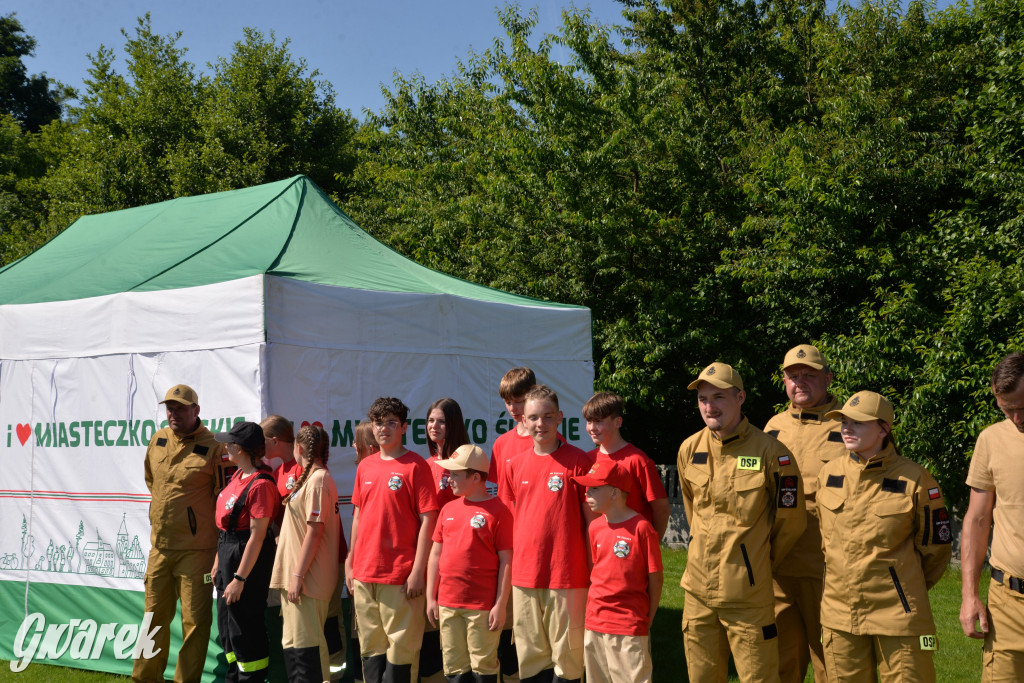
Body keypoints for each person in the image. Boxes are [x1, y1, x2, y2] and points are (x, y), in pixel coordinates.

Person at [677, 362, 805, 683]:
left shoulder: (772, 453)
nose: (709, 406)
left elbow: (791, 522)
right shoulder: (689, 449)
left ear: (740, 398)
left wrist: (756, 562)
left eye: (719, 397)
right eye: (703, 399)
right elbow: (693, 511)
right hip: (697, 593)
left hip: (748, 597)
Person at [818, 391, 951, 682]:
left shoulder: (915, 478)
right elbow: (825, 541)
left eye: (858, 422)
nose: (847, 428)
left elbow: (936, 549)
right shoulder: (828, 474)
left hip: (898, 615)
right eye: (844, 421)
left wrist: (904, 585)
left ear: (883, 429)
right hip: (839, 614)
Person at [762, 344, 847, 682]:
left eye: (809, 376)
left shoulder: (852, 427)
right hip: (778, 565)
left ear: (827, 378)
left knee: (833, 660)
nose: (799, 382)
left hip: (825, 568)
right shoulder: (771, 428)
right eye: (792, 376)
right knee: (783, 659)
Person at [133, 384, 227, 683]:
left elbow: (223, 499)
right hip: (160, 548)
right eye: (169, 408)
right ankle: (145, 679)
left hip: (197, 551)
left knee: (195, 623)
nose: (173, 414)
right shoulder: (158, 439)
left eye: (180, 408)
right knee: (153, 619)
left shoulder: (215, 448)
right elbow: (152, 480)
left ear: (195, 410)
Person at [502, 384, 595, 683]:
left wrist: (596, 570)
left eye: (547, 416)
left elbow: (592, 523)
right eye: (533, 417)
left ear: (560, 418)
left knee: (567, 661)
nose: (540, 423)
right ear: (524, 421)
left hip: (567, 576)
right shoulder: (514, 465)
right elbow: (510, 521)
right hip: (525, 576)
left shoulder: (580, 462)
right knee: (530, 661)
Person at [345, 397, 439, 683]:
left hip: (400, 577)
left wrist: (417, 571)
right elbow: (359, 517)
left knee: (402, 655)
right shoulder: (365, 467)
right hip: (364, 576)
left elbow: (429, 521)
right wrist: (350, 562)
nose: (383, 428)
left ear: (404, 428)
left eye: (391, 423)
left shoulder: (415, 466)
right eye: (378, 423)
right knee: (371, 653)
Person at [426, 444, 514, 683]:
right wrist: (431, 598)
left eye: (455, 473)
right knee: (454, 667)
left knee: (483, 666)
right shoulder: (447, 509)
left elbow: (507, 561)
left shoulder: (499, 512)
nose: (449, 478)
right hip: (447, 604)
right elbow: (435, 555)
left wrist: (500, 604)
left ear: (475, 477)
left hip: (482, 607)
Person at [960, 352, 1024, 678]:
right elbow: (977, 519)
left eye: (1023, 408)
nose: (1016, 417)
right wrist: (969, 595)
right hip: (1008, 604)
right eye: (1007, 408)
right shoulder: (991, 440)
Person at [574, 461, 662, 683]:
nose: (586, 493)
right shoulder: (594, 527)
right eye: (587, 488)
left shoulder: (642, 528)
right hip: (595, 623)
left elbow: (656, 579)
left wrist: (647, 619)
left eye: (594, 488)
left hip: (628, 625)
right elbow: (596, 571)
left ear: (614, 493)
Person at [270, 424, 341, 683]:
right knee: (295, 646)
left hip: (308, 580)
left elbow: (315, 532)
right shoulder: (311, 479)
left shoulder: (319, 480)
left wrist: (298, 575)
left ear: (299, 449)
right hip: (299, 578)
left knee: (305, 649)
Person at [213, 422, 279, 683]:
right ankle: (234, 677)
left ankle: (252, 678)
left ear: (240, 448)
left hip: (245, 559)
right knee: (228, 627)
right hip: (227, 552)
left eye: (229, 443)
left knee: (245, 627)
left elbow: (258, 536)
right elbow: (225, 528)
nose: (226, 447)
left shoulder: (261, 484)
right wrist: (219, 560)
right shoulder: (236, 477)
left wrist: (239, 579)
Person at [488, 366, 538, 682]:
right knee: (504, 623)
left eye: (519, 401)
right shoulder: (501, 444)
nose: (513, 409)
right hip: (506, 547)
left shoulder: (548, 439)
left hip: (534, 546)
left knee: (530, 626)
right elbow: (501, 498)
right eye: (508, 402)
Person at [422, 398, 471, 683]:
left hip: (459, 559)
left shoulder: (465, 462)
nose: (434, 426)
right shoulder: (425, 464)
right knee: (432, 631)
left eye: (440, 421)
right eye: (430, 420)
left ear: (453, 424)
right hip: (430, 556)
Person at [582, 392, 670, 539]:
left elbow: (661, 509)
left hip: (631, 544)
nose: (592, 427)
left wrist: (653, 542)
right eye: (589, 421)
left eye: (598, 421)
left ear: (618, 422)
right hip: (600, 546)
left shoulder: (638, 460)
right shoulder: (587, 459)